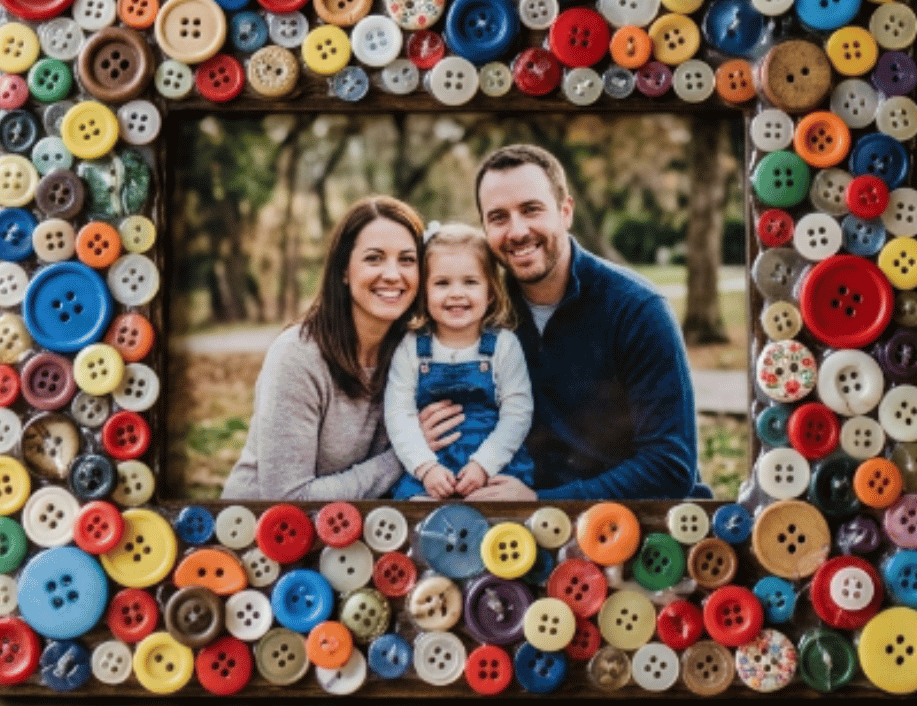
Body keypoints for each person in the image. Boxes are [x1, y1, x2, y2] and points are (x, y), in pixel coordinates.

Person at [423, 144, 701, 500]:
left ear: (565, 211)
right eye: (498, 217)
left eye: (531, 210)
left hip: (623, 524)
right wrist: (418, 437)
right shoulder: (475, 312)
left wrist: (543, 503)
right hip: (502, 527)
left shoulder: (637, 310)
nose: (517, 231)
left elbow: (670, 466)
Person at [220, 196, 422, 500]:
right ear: (343, 270)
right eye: (374, 258)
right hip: (260, 532)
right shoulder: (297, 356)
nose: (393, 274)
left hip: (354, 534)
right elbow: (288, 499)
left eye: (407, 260)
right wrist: (406, 455)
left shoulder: (413, 354)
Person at [382, 222, 535, 500]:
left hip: (492, 462)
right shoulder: (412, 348)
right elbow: (398, 413)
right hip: (432, 463)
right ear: (423, 293)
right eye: (442, 283)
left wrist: (483, 465)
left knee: (498, 518)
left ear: (490, 292)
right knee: (415, 512)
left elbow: (518, 411)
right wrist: (425, 467)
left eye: (470, 282)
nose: (456, 293)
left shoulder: (503, 345)